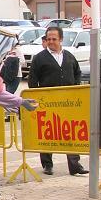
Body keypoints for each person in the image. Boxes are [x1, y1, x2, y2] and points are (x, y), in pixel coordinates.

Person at [28, 25, 88, 176]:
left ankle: (75, 165)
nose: (51, 42)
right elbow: (32, 80)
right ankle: (47, 165)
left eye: (54, 39)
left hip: (68, 102)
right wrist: (38, 97)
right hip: (48, 103)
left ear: (61, 39)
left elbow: (77, 72)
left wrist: (75, 88)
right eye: (48, 39)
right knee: (47, 133)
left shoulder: (69, 56)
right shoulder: (39, 58)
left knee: (70, 133)